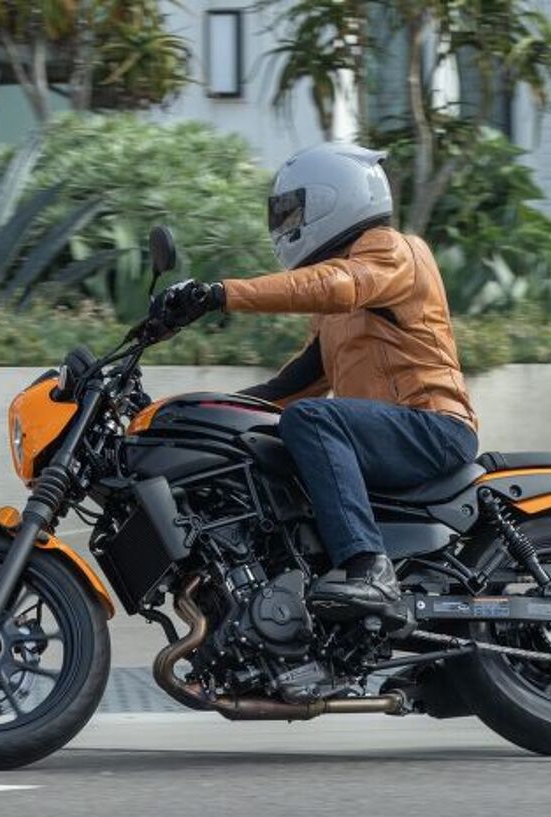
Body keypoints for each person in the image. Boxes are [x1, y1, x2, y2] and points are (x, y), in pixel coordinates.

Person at [149, 142, 479, 618]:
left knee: (311, 420)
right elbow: (288, 388)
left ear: (335, 197)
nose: (285, 225)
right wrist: (194, 417)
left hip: (433, 427)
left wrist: (221, 294)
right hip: (382, 435)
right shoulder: (337, 312)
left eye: (293, 212)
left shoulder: (392, 252)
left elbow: (337, 284)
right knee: (262, 438)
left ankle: (371, 570)